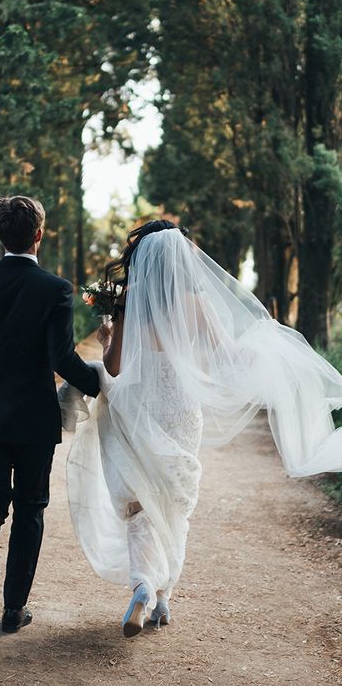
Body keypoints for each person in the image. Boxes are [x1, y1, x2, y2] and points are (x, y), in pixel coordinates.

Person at [62, 221, 342, 637]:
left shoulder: (128, 302)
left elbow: (115, 367)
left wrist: (106, 339)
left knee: (140, 500)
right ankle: (164, 596)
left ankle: (142, 586)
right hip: (179, 407)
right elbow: (224, 355)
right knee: (174, 502)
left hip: (138, 404)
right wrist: (263, 354)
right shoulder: (196, 302)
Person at [0, 195, 100, 639]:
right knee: (30, 510)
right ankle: (13, 611)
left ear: (1, 234)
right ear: (39, 234)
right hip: (33, 420)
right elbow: (63, 358)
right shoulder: (56, 289)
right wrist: (100, 383)